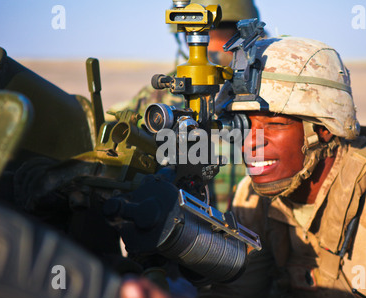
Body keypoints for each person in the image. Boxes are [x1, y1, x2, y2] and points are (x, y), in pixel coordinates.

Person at [199, 36, 366, 298]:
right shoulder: (252, 198)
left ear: (323, 129)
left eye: (274, 125)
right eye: (242, 125)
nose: (250, 143)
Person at [108, 0, 261, 213]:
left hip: (256, 227)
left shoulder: (266, 88)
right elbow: (116, 133)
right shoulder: (159, 95)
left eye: (222, 36)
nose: (213, 46)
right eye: (200, 36)